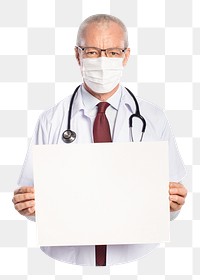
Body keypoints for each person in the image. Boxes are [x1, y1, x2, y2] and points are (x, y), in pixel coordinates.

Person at [12, 14, 187, 266]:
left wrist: (174, 205)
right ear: (77, 55)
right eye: (93, 52)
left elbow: (170, 203)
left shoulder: (153, 118)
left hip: (137, 260)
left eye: (114, 52)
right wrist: (27, 205)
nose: (103, 61)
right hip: (66, 262)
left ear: (126, 56)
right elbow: (32, 199)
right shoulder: (50, 120)